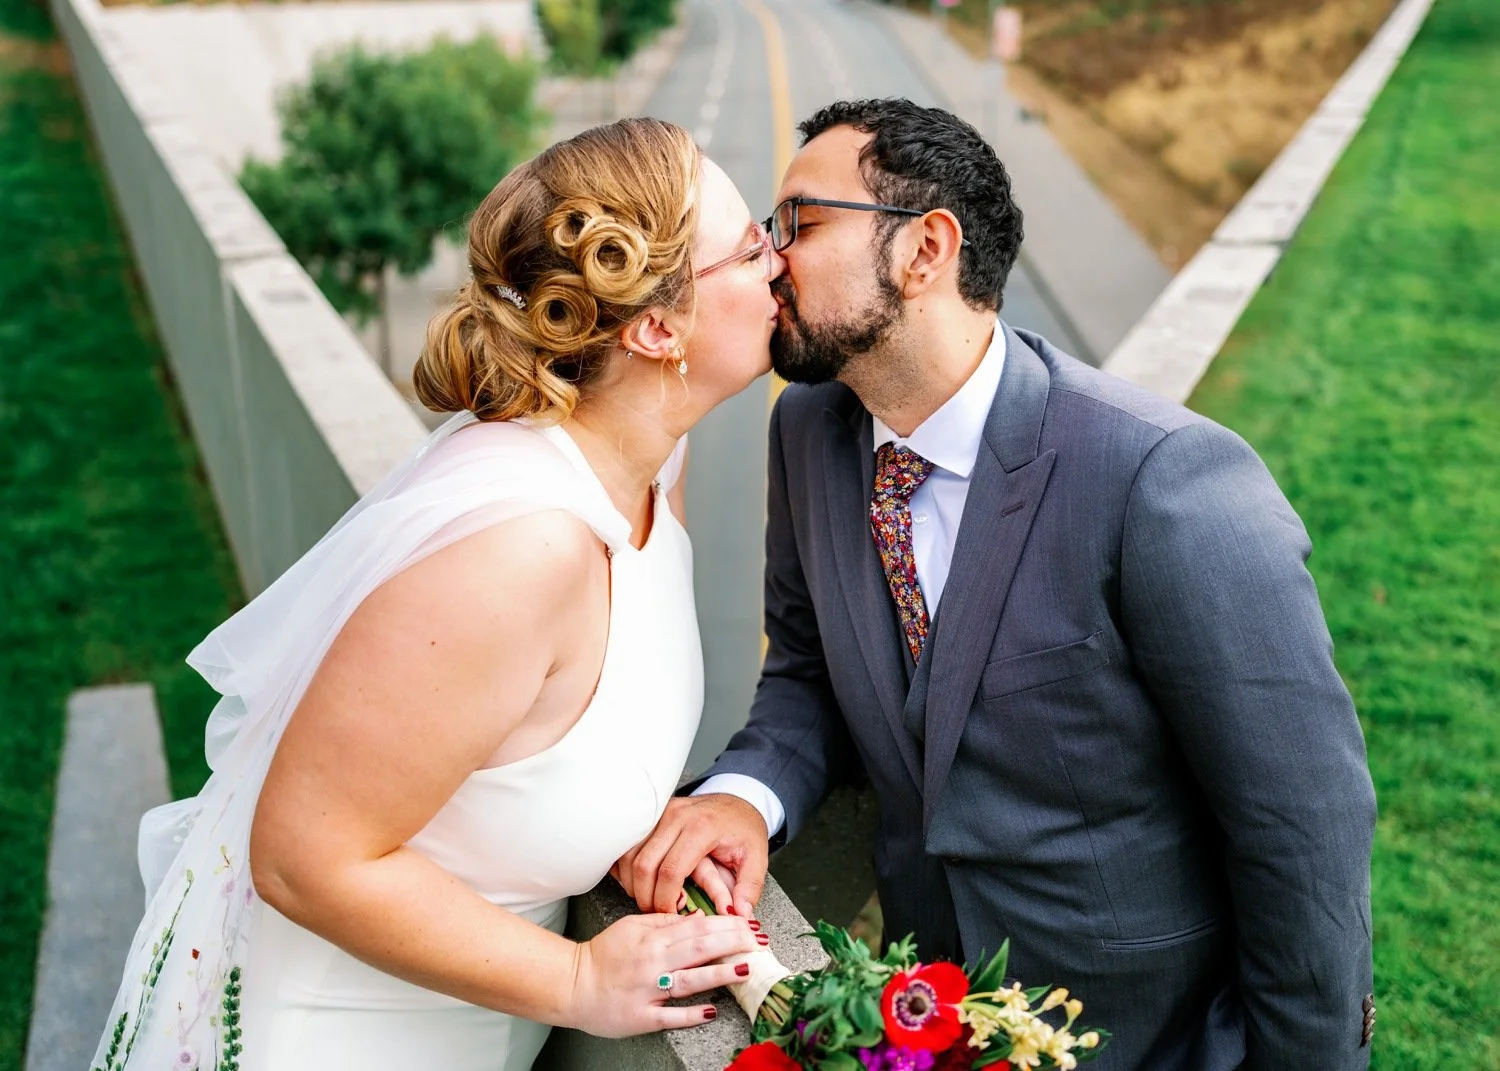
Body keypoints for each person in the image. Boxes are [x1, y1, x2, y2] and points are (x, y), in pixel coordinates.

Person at [618, 99, 1378, 1071]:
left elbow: (1301, 824)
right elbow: (808, 671)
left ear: (925, 250)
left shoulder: (1166, 481)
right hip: (930, 1026)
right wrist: (743, 797)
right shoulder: (807, 434)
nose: (769, 258)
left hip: (1155, 1042)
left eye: (798, 224)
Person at [92, 117, 784, 1071]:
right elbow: (300, 854)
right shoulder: (523, 551)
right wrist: (580, 981)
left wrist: (639, 827)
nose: (779, 265)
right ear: (658, 326)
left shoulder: (650, 472)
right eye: (751, 248)